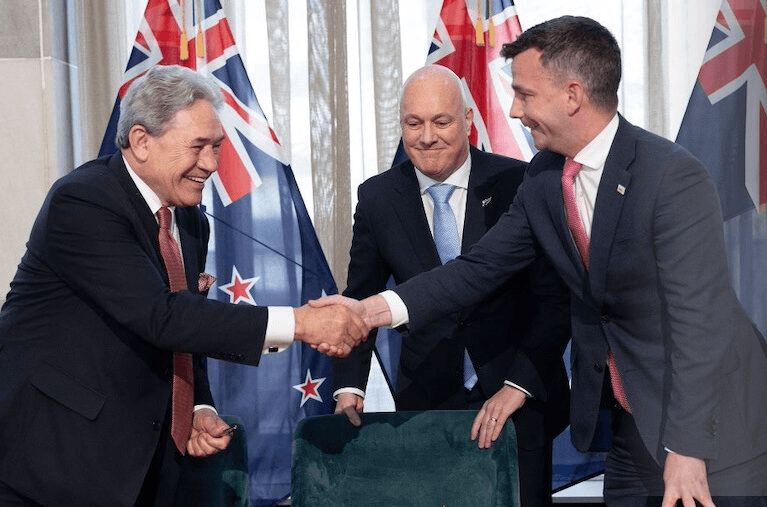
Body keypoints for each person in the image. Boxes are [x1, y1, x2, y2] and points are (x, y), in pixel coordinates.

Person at [316, 16, 767, 506]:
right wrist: (366, 312)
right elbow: (476, 270)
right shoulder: (544, 177)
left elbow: (700, 325)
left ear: (571, 96)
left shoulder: (671, 177)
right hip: (631, 422)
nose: (513, 111)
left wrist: (687, 448)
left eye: (525, 94)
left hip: (713, 429)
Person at [0, 65, 368, 507]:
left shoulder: (188, 217)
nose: (211, 165)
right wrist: (302, 324)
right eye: (198, 147)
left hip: (142, 458)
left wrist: (197, 407)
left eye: (216, 148)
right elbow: (161, 315)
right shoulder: (83, 201)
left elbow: (185, 328)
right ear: (141, 141)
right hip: (55, 459)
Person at [331, 65, 571, 506]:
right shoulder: (378, 197)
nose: (426, 137)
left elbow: (555, 301)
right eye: (413, 123)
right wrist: (351, 386)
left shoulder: (522, 184)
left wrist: (518, 386)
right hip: (428, 398)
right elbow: (360, 297)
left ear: (468, 122)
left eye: (441, 122)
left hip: (517, 395)